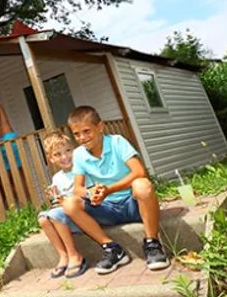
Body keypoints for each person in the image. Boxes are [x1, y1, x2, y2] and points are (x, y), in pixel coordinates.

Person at [62, 105, 170, 274]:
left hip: (133, 204)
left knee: (142, 185)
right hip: (107, 209)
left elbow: (139, 172)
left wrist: (109, 189)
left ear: (100, 126)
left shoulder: (117, 142)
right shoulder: (79, 155)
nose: (82, 137)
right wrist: (91, 193)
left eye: (86, 131)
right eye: (76, 134)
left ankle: (152, 243)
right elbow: (77, 188)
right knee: (69, 204)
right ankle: (112, 248)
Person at [38, 131, 88, 279]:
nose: (65, 157)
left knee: (55, 214)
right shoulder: (57, 178)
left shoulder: (82, 170)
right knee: (42, 218)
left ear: (74, 150)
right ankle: (63, 256)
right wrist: (55, 198)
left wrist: (63, 201)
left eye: (68, 151)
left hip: (83, 216)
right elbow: (58, 202)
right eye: (58, 154)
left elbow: (85, 195)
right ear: (51, 159)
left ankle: (74, 255)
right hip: (65, 218)